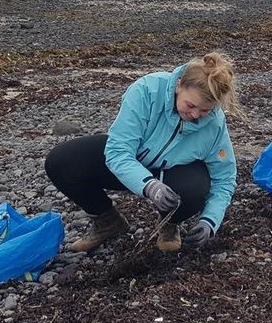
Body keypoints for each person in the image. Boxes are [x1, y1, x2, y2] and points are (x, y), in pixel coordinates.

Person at [44, 52, 241, 253]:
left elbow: (224, 179)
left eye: (205, 110)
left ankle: (169, 224)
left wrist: (210, 222)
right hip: (131, 162)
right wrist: (149, 186)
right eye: (190, 105)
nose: (195, 115)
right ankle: (108, 222)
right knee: (61, 162)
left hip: (173, 173)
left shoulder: (215, 124)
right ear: (179, 85)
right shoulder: (147, 89)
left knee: (196, 188)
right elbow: (118, 152)